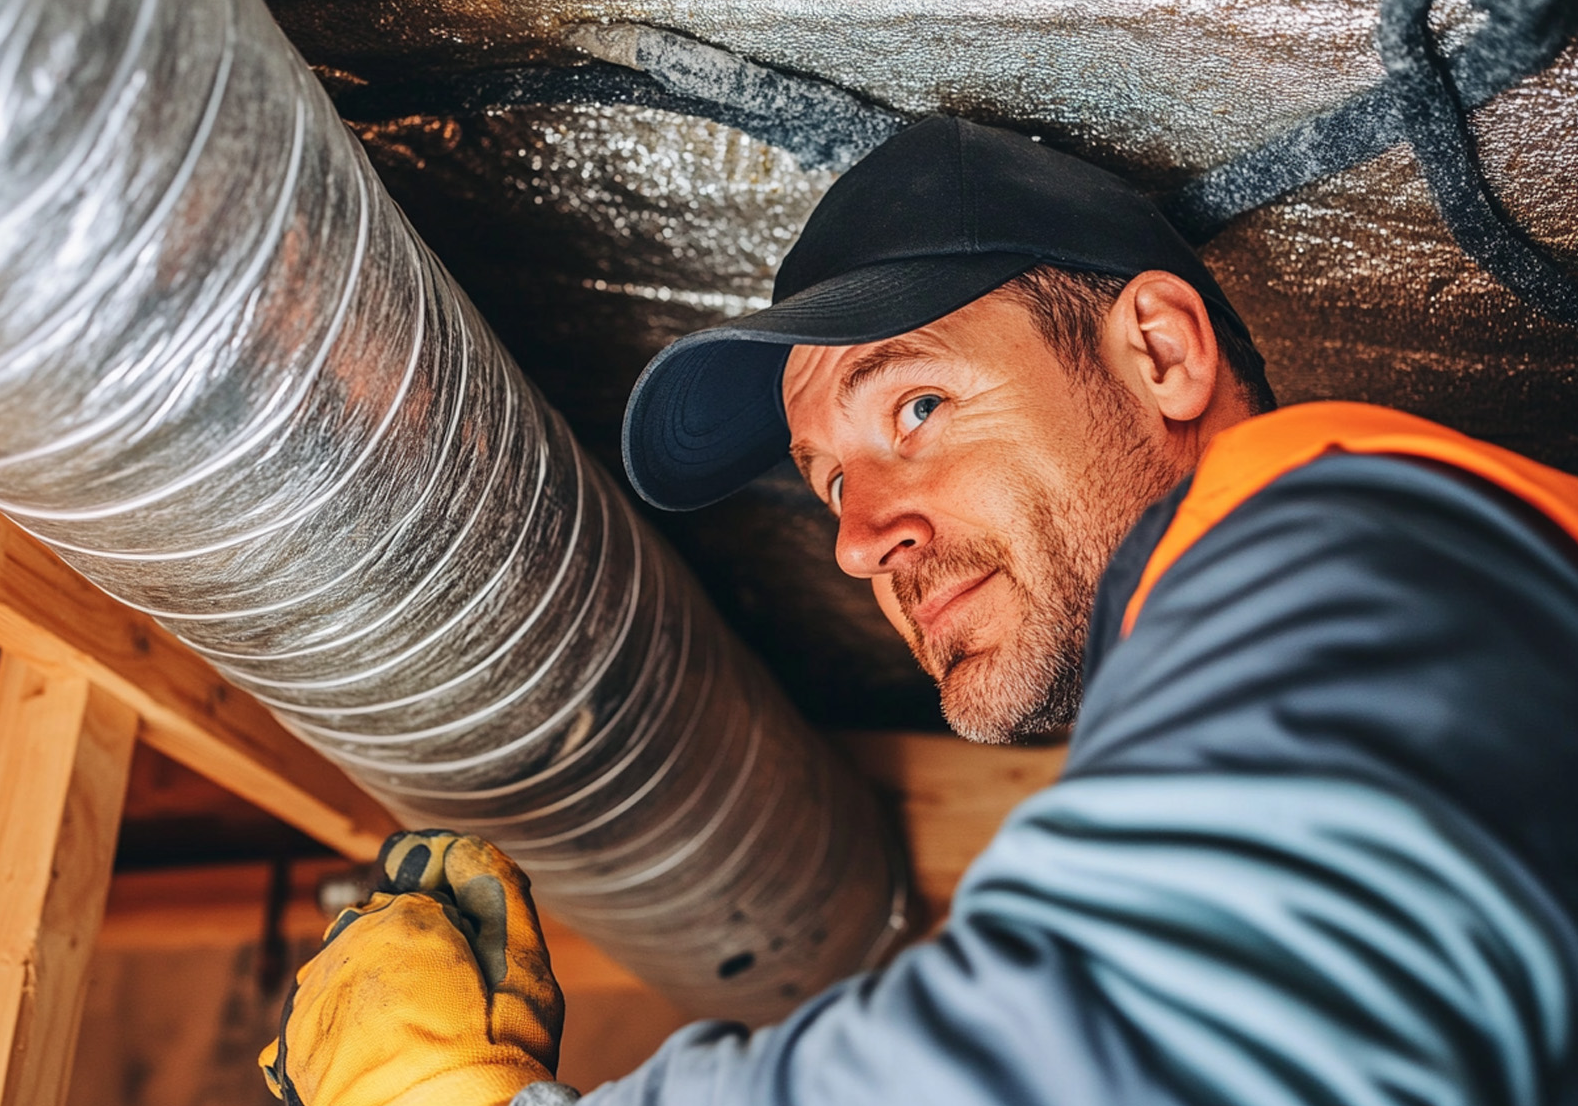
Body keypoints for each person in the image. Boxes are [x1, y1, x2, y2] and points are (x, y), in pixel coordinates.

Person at [260, 116, 1578, 1105]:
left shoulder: (1348, 549)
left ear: (1161, 354)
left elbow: (1105, 1055)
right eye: (828, 480)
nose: (854, 540)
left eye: (919, 409)